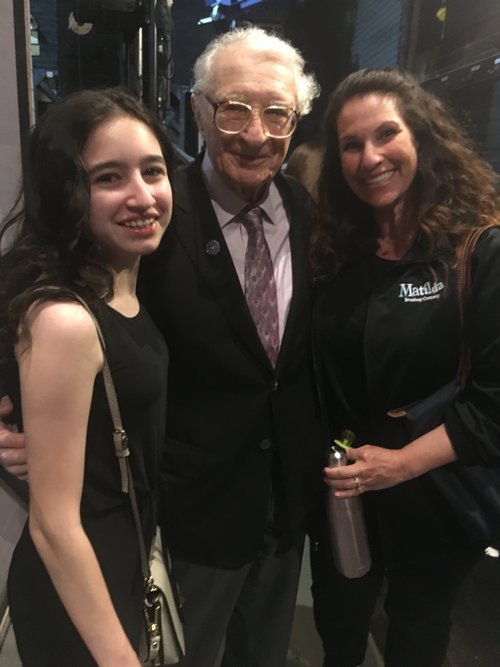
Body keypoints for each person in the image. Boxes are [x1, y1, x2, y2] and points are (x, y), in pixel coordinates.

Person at [1, 27, 326, 666]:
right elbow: (48, 301)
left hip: (284, 510)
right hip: (186, 519)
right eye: (234, 108)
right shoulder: (153, 217)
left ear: (296, 122)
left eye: (277, 113)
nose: (255, 133)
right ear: (199, 110)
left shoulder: (304, 208)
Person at [308, 67, 500, 667]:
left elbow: (495, 401)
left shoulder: (479, 249)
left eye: (386, 135)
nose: (370, 157)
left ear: (421, 137)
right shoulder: (335, 247)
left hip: (432, 491)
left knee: (416, 634)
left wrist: (400, 465)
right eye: (351, 144)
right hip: (341, 490)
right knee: (338, 626)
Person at [0, 88, 174, 665]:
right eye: (109, 178)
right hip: (78, 579)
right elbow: (53, 525)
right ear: (67, 193)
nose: (143, 196)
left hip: (121, 553)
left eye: (153, 171)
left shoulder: (121, 281)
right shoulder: (66, 319)